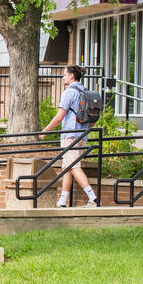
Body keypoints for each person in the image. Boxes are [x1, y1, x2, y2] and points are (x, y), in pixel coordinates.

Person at [40, 64, 99, 208]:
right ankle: (62, 201)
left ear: (71, 76)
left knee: (73, 166)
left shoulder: (69, 92)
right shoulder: (85, 91)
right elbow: (94, 117)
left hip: (70, 135)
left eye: (65, 74)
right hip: (82, 135)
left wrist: (45, 131)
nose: (63, 77)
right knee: (68, 166)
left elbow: (60, 116)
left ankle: (93, 198)